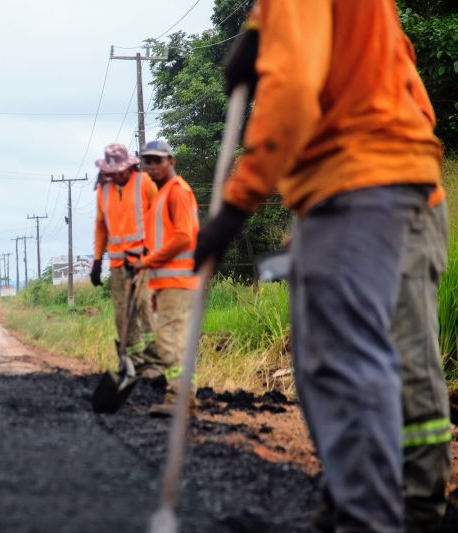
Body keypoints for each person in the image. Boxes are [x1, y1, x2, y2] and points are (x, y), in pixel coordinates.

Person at [196, 2, 447, 531]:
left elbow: (292, 93)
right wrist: (261, 32)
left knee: (348, 365)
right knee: (351, 362)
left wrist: (237, 206)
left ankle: (377, 514)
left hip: (362, 180)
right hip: (386, 179)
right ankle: (368, 501)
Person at [132, 140, 200, 416]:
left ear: (171, 161)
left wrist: (148, 262)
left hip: (178, 281)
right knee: (173, 342)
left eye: (157, 160)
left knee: (169, 343)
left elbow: (184, 236)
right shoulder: (163, 195)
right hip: (166, 283)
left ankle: (179, 398)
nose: (152, 166)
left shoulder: (177, 193)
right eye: (147, 161)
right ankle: (183, 398)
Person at [92, 144, 161, 379]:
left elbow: (159, 216)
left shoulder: (144, 183)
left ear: (129, 167)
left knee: (144, 307)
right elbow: (101, 226)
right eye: (114, 173)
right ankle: (135, 363)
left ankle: (154, 363)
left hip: (143, 261)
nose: (118, 176)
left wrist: (150, 248)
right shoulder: (104, 191)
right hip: (118, 266)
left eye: (121, 171)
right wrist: (97, 260)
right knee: (122, 315)